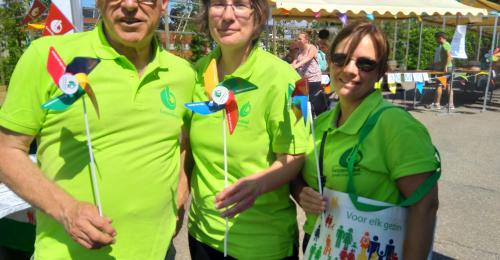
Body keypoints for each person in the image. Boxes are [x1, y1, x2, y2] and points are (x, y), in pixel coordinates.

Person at [0, 0, 196, 259]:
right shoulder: (46, 55)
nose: (128, 5)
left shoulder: (183, 73)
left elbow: (183, 143)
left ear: (163, 4)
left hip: (159, 252)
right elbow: (7, 151)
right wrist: (67, 210)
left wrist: (180, 197)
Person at [292, 22, 440, 259]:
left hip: (373, 248)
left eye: (365, 64)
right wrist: (301, 192)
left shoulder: (396, 125)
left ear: (381, 71)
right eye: (341, 59)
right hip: (319, 243)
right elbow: (296, 176)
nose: (350, 70)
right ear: (329, 62)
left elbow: (425, 206)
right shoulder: (319, 125)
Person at [185, 0, 307, 259]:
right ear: (207, 13)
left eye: (240, 5)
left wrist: (258, 184)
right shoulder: (196, 74)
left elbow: (294, 155)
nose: (228, 16)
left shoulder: (283, 78)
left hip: (261, 243)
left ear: (258, 15)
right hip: (202, 234)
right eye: (218, 4)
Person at [292, 32, 329, 117]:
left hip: (313, 79)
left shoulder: (312, 48)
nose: (297, 40)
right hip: (302, 80)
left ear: (306, 40)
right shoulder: (299, 51)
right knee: (299, 102)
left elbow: (308, 58)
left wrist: (297, 65)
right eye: (297, 39)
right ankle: (303, 121)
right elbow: (294, 63)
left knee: (314, 102)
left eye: (299, 39)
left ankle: (321, 118)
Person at [429, 31, 454, 110]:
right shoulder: (448, 45)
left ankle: (437, 104)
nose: (436, 41)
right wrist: (436, 64)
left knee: (439, 85)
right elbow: (450, 57)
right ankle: (450, 104)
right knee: (449, 86)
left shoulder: (445, 45)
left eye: (436, 39)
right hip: (447, 68)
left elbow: (449, 56)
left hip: (445, 69)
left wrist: (445, 66)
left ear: (440, 38)